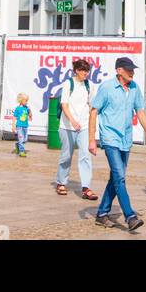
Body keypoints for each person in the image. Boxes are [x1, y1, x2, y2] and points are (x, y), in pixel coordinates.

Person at [88, 55, 146, 232]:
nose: (132, 72)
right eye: (129, 69)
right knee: (120, 176)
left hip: (126, 139)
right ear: (119, 71)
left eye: (133, 69)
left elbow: (140, 111)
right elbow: (94, 111)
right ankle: (130, 216)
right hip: (110, 138)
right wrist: (91, 140)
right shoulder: (107, 88)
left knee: (116, 178)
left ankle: (102, 214)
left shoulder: (134, 88)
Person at [55, 58, 97, 200]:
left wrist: (92, 127)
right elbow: (64, 105)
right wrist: (72, 121)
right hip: (67, 126)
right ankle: (61, 182)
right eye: (83, 71)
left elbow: (92, 106)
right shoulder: (68, 84)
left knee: (85, 155)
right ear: (76, 71)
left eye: (87, 71)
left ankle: (86, 187)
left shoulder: (89, 85)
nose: (86, 74)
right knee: (66, 155)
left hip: (84, 125)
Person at [13, 92, 32, 157]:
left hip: (25, 126)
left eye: (27, 101)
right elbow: (14, 117)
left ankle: (18, 145)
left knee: (25, 140)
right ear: (21, 101)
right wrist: (13, 126)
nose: (27, 102)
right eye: (26, 100)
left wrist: (30, 112)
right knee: (21, 139)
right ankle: (21, 151)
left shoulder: (26, 108)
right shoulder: (17, 108)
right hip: (19, 126)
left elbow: (30, 116)